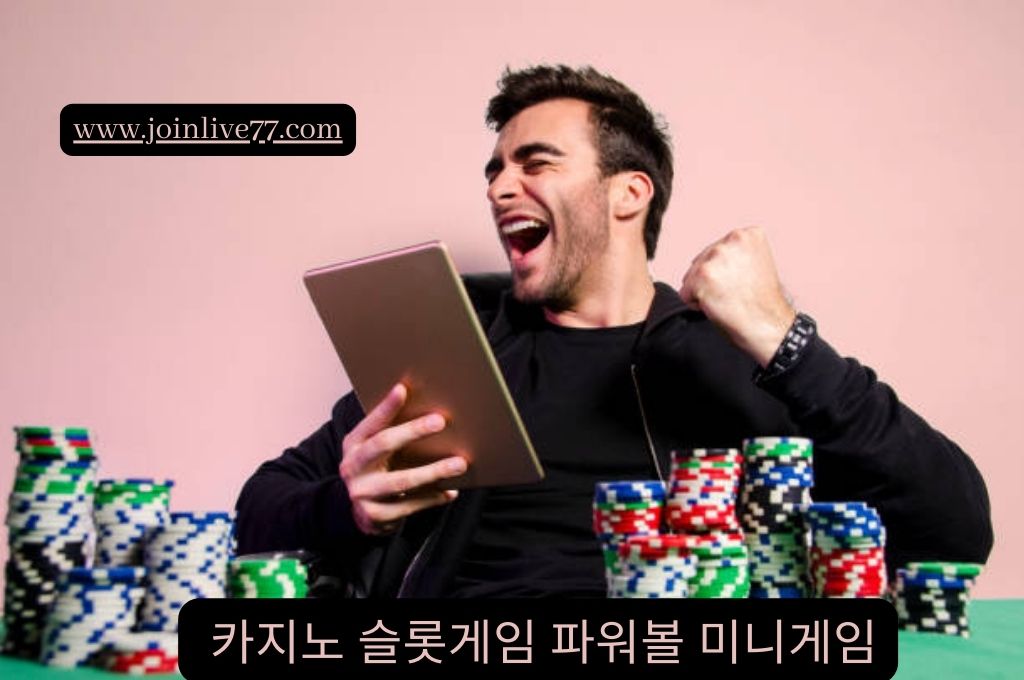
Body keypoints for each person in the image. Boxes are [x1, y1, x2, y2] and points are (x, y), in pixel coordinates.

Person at [235, 65, 993, 598]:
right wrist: (347, 508)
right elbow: (260, 508)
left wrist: (785, 338)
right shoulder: (458, 348)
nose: (500, 188)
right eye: (494, 170)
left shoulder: (732, 358)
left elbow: (954, 526)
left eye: (535, 162)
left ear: (629, 192)